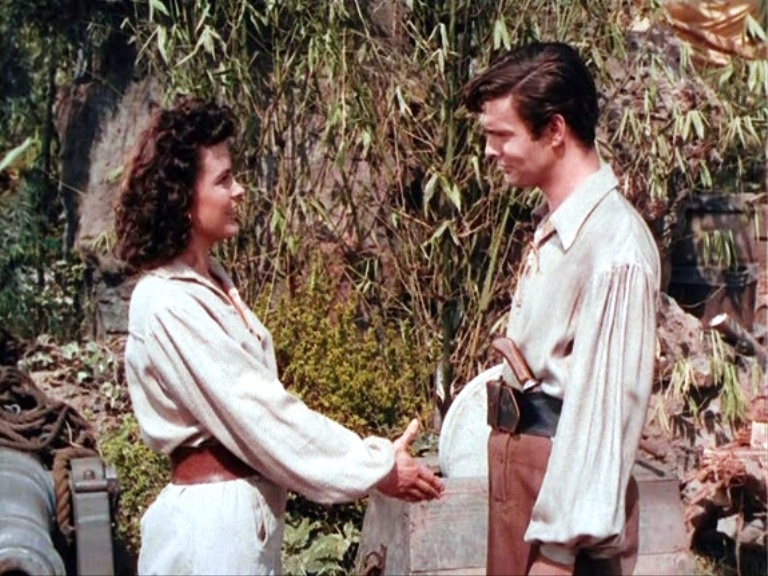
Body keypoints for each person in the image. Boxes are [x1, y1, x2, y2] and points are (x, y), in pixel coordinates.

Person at [114, 97, 444, 575]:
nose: (239, 191)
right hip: (210, 527)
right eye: (223, 180)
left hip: (238, 515)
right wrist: (375, 465)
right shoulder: (168, 301)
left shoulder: (211, 284)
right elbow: (260, 413)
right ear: (181, 198)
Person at [461, 42, 660, 576]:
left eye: (501, 135)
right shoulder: (562, 225)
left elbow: (605, 409)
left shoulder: (614, 246)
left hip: (560, 508)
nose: (490, 151)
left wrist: (557, 552)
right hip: (524, 480)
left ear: (554, 130)